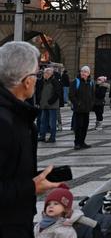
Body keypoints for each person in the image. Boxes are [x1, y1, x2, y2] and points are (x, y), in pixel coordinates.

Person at [1, 42, 62, 238]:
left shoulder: (15, 114)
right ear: (26, 81)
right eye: (36, 75)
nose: (37, 80)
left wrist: (31, 179)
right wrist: (31, 187)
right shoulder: (5, 122)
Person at [70, 66, 95, 150]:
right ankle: (77, 143)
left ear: (88, 74)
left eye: (85, 72)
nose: (83, 73)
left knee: (85, 126)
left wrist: (91, 104)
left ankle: (82, 142)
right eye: (82, 71)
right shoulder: (76, 82)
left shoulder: (90, 83)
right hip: (79, 109)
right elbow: (71, 95)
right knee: (78, 127)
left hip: (87, 109)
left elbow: (92, 94)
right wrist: (78, 103)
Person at [35, 67, 62, 143]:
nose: (44, 74)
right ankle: (42, 136)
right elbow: (40, 92)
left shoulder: (54, 81)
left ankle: (52, 137)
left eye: (46, 73)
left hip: (52, 106)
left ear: (50, 74)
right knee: (43, 121)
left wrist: (50, 101)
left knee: (52, 122)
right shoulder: (43, 81)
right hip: (44, 105)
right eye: (44, 73)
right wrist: (39, 101)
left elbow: (57, 93)